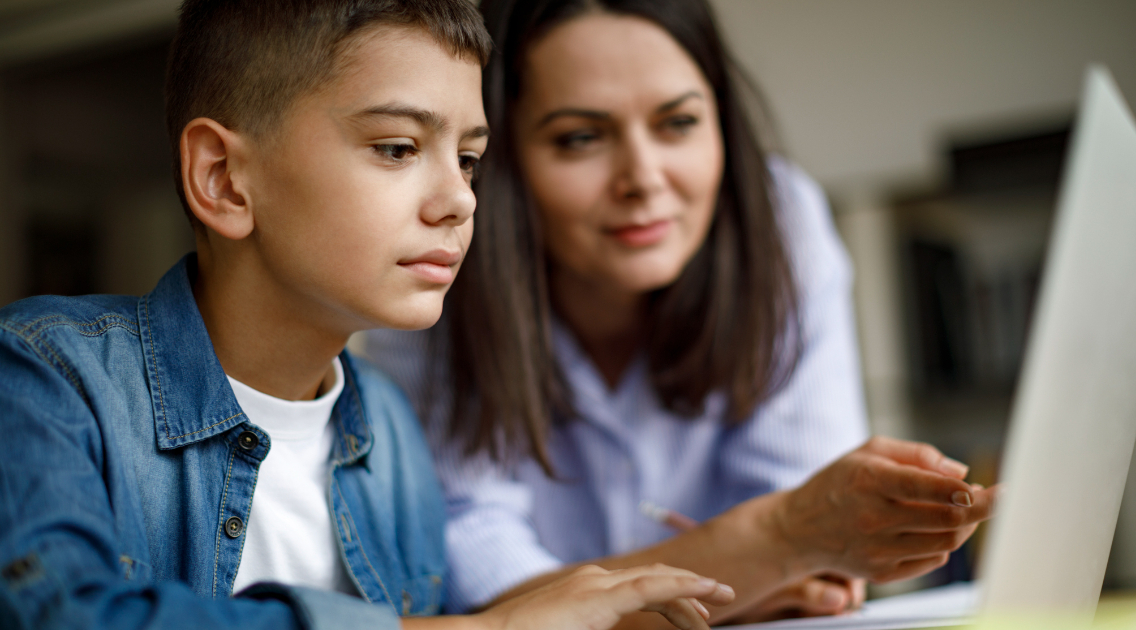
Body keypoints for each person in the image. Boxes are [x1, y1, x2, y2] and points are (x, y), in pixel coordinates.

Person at [0, 1, 739, 629]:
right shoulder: (45, 376)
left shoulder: (388, 428)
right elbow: (66, 613)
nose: (460, 199)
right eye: (398, 147)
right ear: (224, 181)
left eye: (470, 159)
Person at [365, 0, 997, 625]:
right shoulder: (437, 261)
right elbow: (479, 580)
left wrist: (770, 549)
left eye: (679, 123)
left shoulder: (779, 221)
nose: (643, 177)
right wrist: (763, 551)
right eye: (580, 138)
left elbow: (821, 557)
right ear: (501, 163)